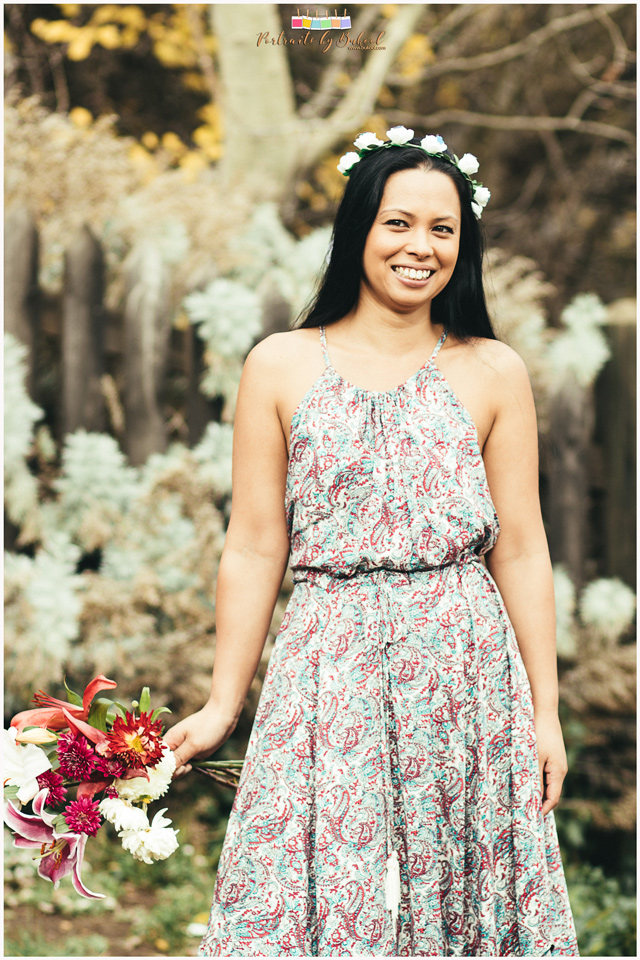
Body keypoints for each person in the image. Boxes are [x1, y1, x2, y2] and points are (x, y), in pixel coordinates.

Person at [164, 128, 579, 957]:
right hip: (328, 663)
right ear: (357, 228)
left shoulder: (494, 371)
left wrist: (546, 711)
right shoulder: (278, 365)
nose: (419, 247)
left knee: (456, 889)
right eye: (397, 223)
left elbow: (523, 549)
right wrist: (221, 704)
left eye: (442, 229)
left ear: (463, 246)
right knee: (317, 885)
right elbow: (252, 546)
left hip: (462, 668)